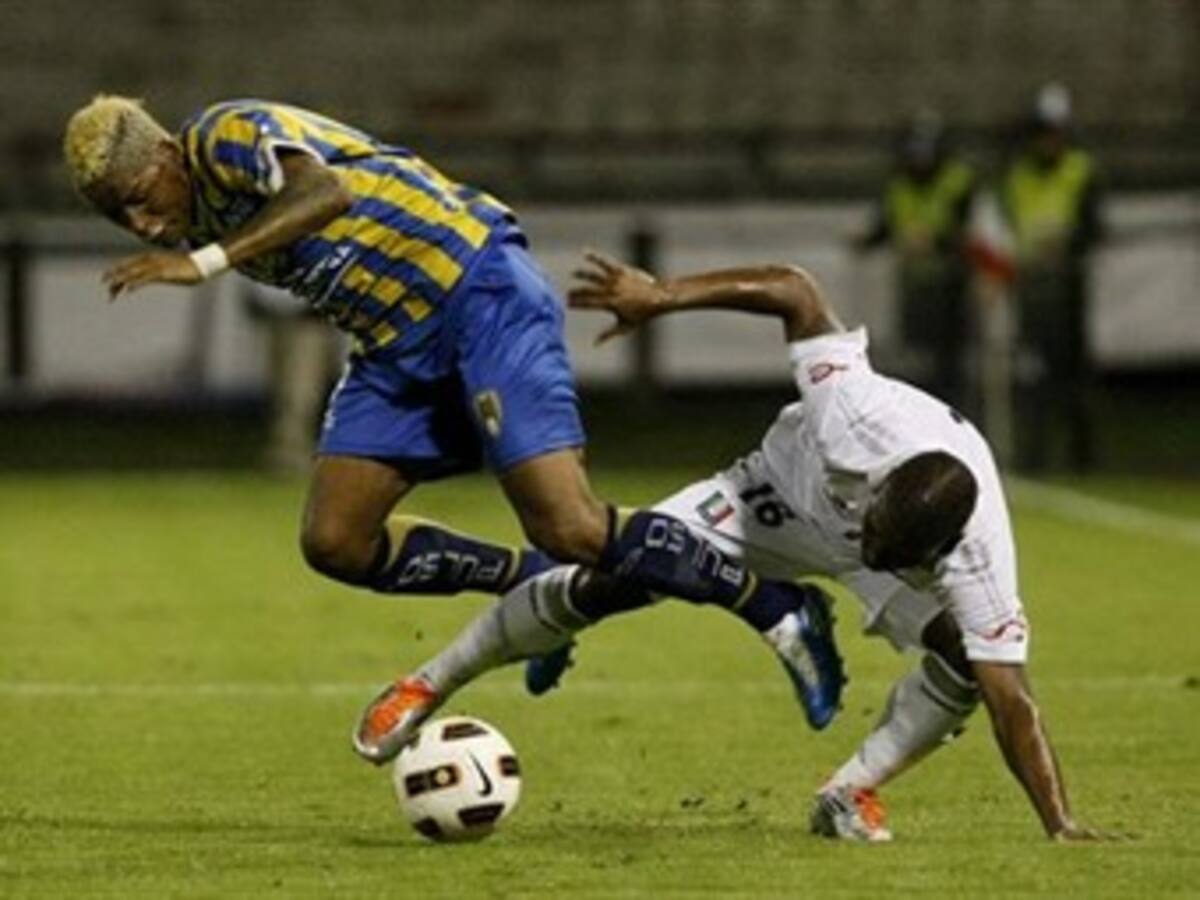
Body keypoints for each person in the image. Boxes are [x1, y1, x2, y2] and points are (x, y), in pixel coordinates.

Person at [61, 95, 844, 763]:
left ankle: (775, 606)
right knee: (336, 540)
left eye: (140, 193)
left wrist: (204, 264)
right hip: (393, 348)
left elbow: (324, 193)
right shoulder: (191, 205)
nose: (140, 220)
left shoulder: (222, 137)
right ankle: (528, 581)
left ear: (166, 150)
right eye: (117, 214)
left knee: (574, 524)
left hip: (478, 293)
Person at [369, 251, 1115, 843]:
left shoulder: (977, 556)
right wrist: (661, 296)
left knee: (967, 659)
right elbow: (793, 289)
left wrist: (1061, 823)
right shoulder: (855, 417)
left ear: (942, 549)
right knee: (608, 578)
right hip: (773, 502)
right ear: (878, 490)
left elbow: (1013, 701)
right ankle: (430, 682)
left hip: (859, 538)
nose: (873, 543)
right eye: (875, 527)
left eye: (894, 551)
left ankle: (849, 790)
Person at [1000, 83, 1103, 472]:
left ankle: (1082, 458)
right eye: (1043, 132)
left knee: (1074, 376)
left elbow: (1095, 227)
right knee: (1032, 375)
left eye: (1054, 132)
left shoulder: (1082, 170)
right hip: (1029, 290)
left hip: (1068, 290)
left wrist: (1065, 245)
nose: (1049, 141)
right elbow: (1004, 225)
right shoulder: (1017, 175)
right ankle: (1034, 455)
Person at [851, 109, 977, 412]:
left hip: (951, 289)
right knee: (918, 368)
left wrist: (933, 241)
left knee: (950, 370)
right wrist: (865, 240)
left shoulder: (958, 181)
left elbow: (969, 232)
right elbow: (886, 226)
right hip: (915, 289)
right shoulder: (899, 187)